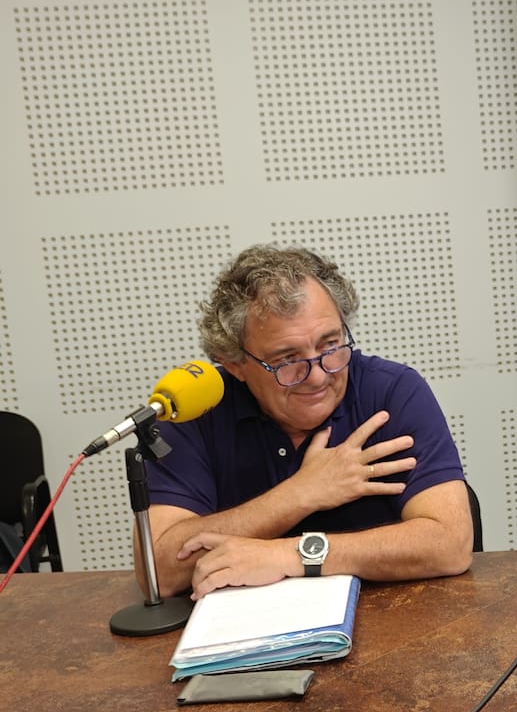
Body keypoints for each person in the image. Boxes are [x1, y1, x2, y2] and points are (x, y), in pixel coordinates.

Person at [136, 245, 474, 599]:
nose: (317, 377)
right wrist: (300, 494)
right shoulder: (195, 409)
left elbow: (450, 543)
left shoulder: (393, 392)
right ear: (235, 363)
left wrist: (292, 554)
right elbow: (158, 571)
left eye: (330, 346)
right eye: (287, 360)